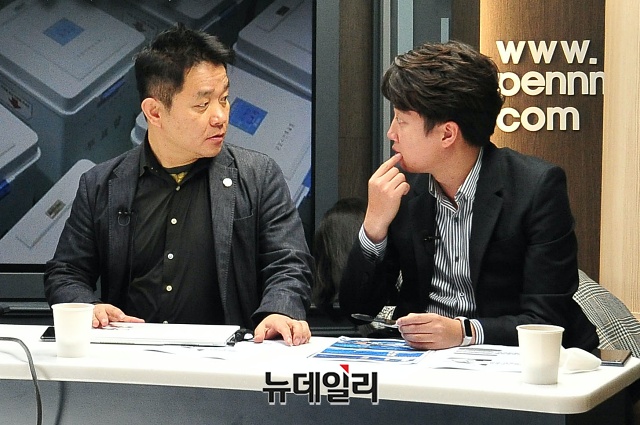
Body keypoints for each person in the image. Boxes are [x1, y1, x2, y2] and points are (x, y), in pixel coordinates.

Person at [44, 24, 313, 346]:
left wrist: (280, 310)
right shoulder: (101, 184)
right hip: (130, 359)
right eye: (202, 105)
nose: (220, 116)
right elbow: (66, 272)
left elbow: (289, 262)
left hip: (232, 357)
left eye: (224, 99)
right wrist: (87, 308)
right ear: (154, 112)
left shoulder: (258, 175)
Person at [339, 40, 598, 351]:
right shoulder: (402, 188)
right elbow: (357, 309)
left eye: (402, 121)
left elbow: (546, 319)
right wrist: (373, 227)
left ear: (447, 133)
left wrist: (463, 331)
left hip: (517, 359)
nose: (391, 133)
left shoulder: (536, 187)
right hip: (425, 361)